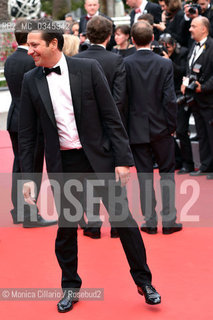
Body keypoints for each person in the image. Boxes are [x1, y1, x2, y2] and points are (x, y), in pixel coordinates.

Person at [19, 18, 161, 313]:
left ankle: (144, 281)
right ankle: (70, 286)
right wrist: (29, 178)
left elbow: (112, 117)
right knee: (67, 228)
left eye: (34, 45)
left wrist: (123, 161)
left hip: (99, 158)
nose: (29, 50)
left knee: (124, 222)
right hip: (65, 162)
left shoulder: (88, 69)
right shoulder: (30, 80)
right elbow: (29, 135)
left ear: (53, 44)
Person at [124, 21, 182, 235]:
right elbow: (169, 99)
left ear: (132, 40)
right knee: (167, 173)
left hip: (136, 128)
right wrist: (172, 125)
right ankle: (169, 221)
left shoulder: (126, 63)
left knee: (144, 175)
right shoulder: (164, 64)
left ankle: (149, 221)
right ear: (152, 40)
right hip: (161, 127)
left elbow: (123, 99)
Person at [75, 15, 128, 238]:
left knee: (87, 177)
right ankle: (117, 225)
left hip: (84, 129)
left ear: (88, 34)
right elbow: (119, 99)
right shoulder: (116, 60)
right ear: (109, 36)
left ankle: (93, 225)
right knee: (114, 177)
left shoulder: (76, 60)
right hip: (109, 129)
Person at [4, 19, 57, 228]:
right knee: (32, 168)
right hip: (31, 122)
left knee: (20, 165)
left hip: (14, 117)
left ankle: (19, 209)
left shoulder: (10, 60)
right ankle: (30, 214)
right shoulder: (32, 61)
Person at [181, 16, 213, 179]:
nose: (190, 29)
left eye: (193, 26)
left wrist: (204, 87)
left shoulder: (212, 46)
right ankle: (206, 166)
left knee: (211, 134)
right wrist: (186, 82)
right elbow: (190, 69)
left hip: (209, 99)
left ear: (204, 29)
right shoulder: (193, 45)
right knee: (201, 133)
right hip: (195, 99)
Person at [159, 33, 194, 174]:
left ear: (174, 44)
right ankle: (177, 160)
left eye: (168, 46)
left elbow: (183, 72)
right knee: (166, 131)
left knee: (180, 130)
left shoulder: (184, 52)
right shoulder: (158, 55)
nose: (166, 49)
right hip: (166, 96)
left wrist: (168, 61)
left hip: (181, 95)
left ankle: (188, 163)